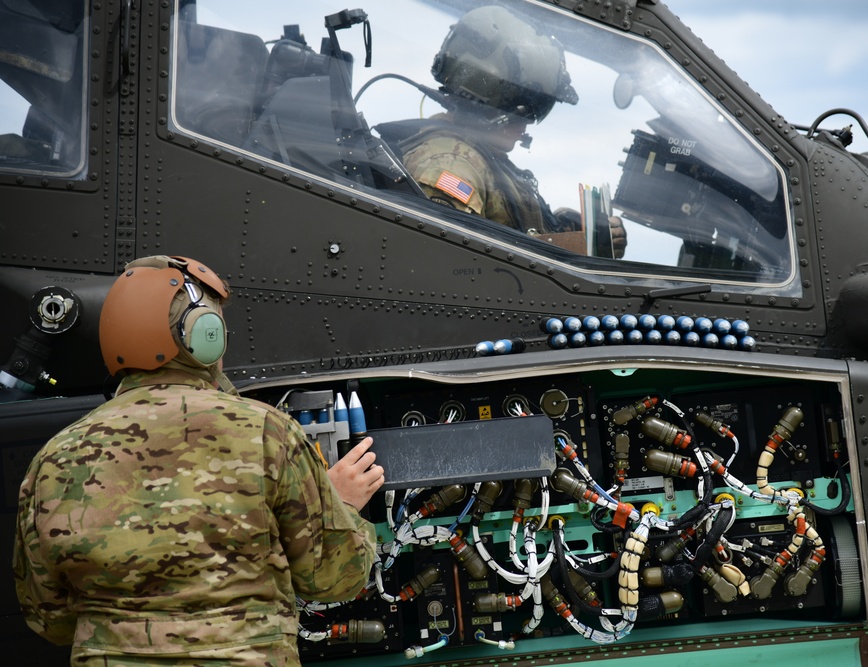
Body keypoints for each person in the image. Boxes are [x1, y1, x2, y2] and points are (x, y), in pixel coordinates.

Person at [13, 255, 384, 666]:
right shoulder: (265, 433)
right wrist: (343, 505)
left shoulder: (54, 460)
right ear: (201, 335)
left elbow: (49, 619)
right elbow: (335, 578)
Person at [376, 5, 627, 257]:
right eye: (522, 110)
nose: (527, 124)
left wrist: (567, 227)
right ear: (486, 101)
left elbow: (504, 231)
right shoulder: (452, 163)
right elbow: (453, 262)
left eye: (536, 112)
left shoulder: (479, 156)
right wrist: (579, 248)